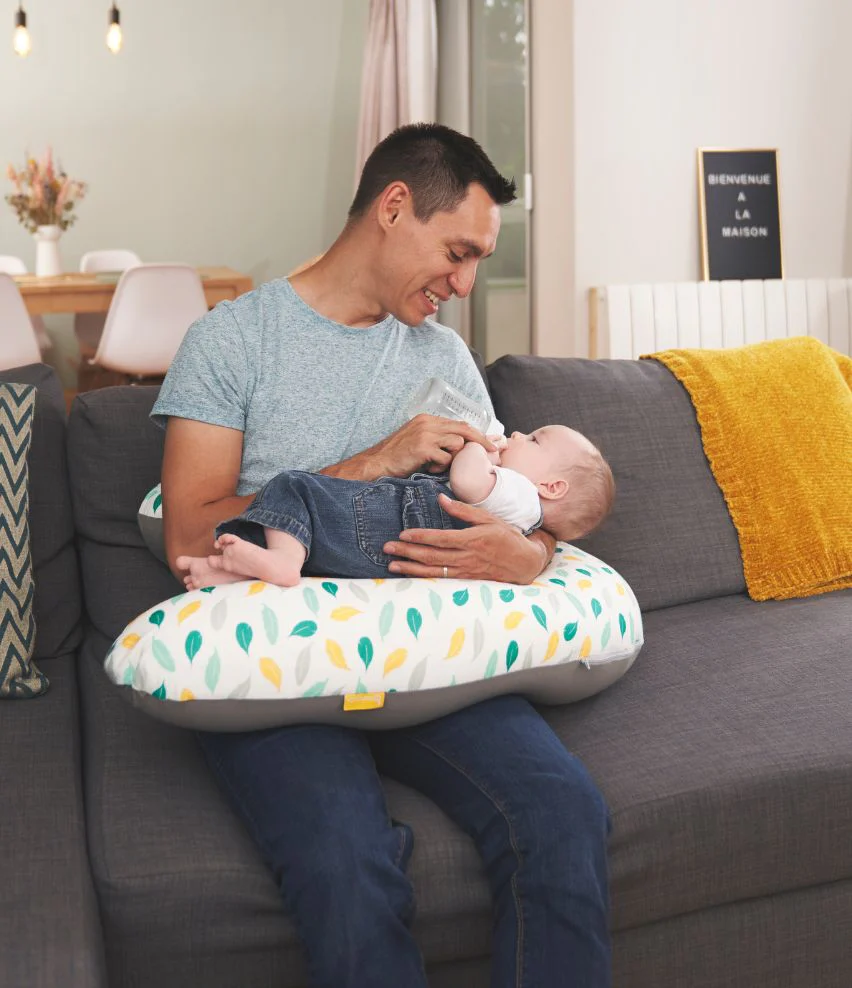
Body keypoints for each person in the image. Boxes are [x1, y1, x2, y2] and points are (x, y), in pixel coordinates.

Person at [153, 123, 612, 987]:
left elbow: (524, 499)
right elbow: (190, 534)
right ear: (394, 208)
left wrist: (535, 553)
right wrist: (375, 461)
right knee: (344, 860)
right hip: (280, 668)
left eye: (477, 262)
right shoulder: (232, 341)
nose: (466, 284)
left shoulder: (445, 356)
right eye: (458, 253)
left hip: (427, 655)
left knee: (562, 810)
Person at [176, 423, 615, 590]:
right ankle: (236, 571)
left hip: (386, 527)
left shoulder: (517, 490)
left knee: (293, 486)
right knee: (313, 533)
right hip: (393, 551)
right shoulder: (520, 502)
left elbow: (467, 481)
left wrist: (477, 448)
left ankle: (281, 562)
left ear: (552, 487)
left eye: (533, 439)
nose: (517, 435)